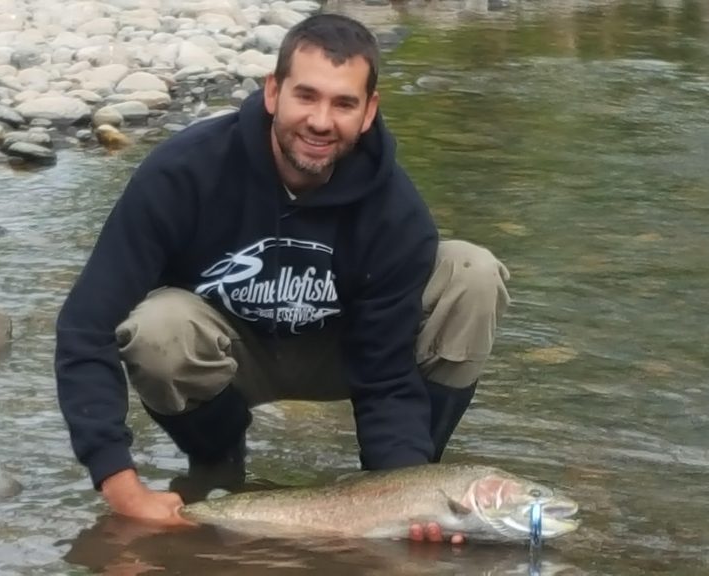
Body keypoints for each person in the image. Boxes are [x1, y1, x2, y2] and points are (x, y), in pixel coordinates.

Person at [54, 13, 510, 544]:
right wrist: (121, 485)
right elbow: (86, 326)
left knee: (472, 273)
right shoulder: (183, 173)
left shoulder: (395, 210)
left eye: (343, 103)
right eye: (306, 96)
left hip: (341, 351)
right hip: (229, 353)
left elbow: (386, 378)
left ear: (369, 113)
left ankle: (413, 490)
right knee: (157, 329)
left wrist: (407, 499)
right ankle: (218, 465)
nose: (321, 120)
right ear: (273, 92)